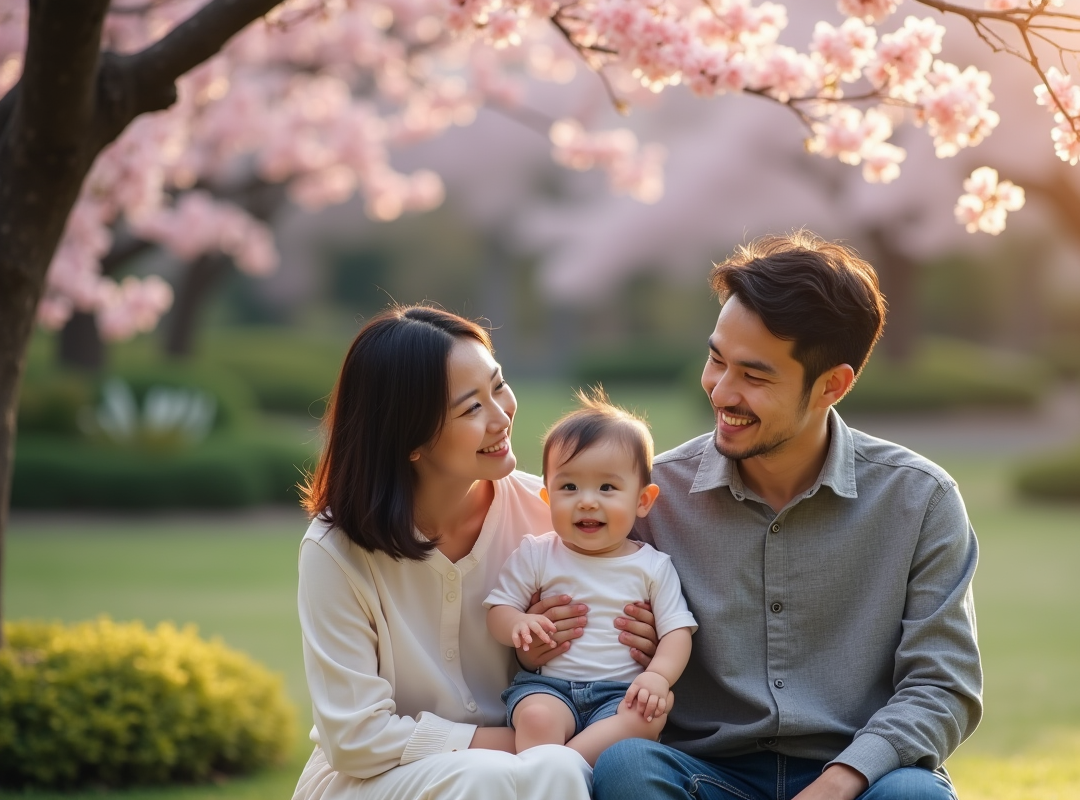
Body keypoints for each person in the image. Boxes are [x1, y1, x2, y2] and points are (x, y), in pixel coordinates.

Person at [592, 231, 984, 800]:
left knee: (914, 797)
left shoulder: (919, 499)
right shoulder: (653, 497)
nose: (721, 391)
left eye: (753, 377)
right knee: (627, 767)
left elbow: (942, 685)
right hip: (703, 773)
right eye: (715, 360)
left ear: (833, 385)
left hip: (860, 776)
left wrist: (842, 779)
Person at [291, 306, 661, 800]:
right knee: (505, 775)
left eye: (499, 385)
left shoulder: (555, 516)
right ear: (410, 437)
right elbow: (356, 740)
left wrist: (638, 639)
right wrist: (519, 747)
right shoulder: (336, 550)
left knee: (553, 772)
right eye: (471, 408)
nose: (501, 414)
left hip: (541, 769)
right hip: (376, 782)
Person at [484, 392, 698, 766]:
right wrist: (519, 622)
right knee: (535, 717)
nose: (586, 501)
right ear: (547, 498)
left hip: (620, 693)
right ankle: (556, 772)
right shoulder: (537, 553)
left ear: (643, 501)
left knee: (646, 718)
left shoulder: (652, 566)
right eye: (569, 487)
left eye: (607, 488)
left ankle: (557, 771)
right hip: (549, 688)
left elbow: (676, 632)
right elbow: (499, 610)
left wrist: (658, 677)